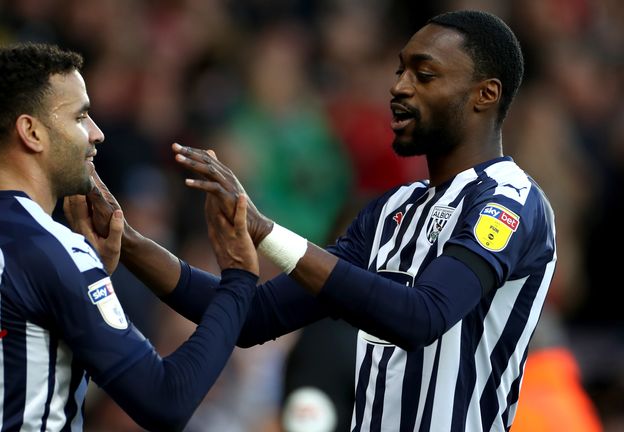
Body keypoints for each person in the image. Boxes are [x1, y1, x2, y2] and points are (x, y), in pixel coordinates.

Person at [88, 10, 557, 431]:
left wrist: (265, 232)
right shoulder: (391, 211)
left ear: (485, 94)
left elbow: (423, 317)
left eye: (425, 74)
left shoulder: (509, 201)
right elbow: (252, 316)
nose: (399, 86)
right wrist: (126, 240)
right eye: (400, 70)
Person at [0, 42, 260, 432]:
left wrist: (90, 275)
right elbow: (166, 401)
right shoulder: (52, 250)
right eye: (80, 116)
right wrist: (237, 278)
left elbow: (4, 350)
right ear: (31, 132)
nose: (96, 134)